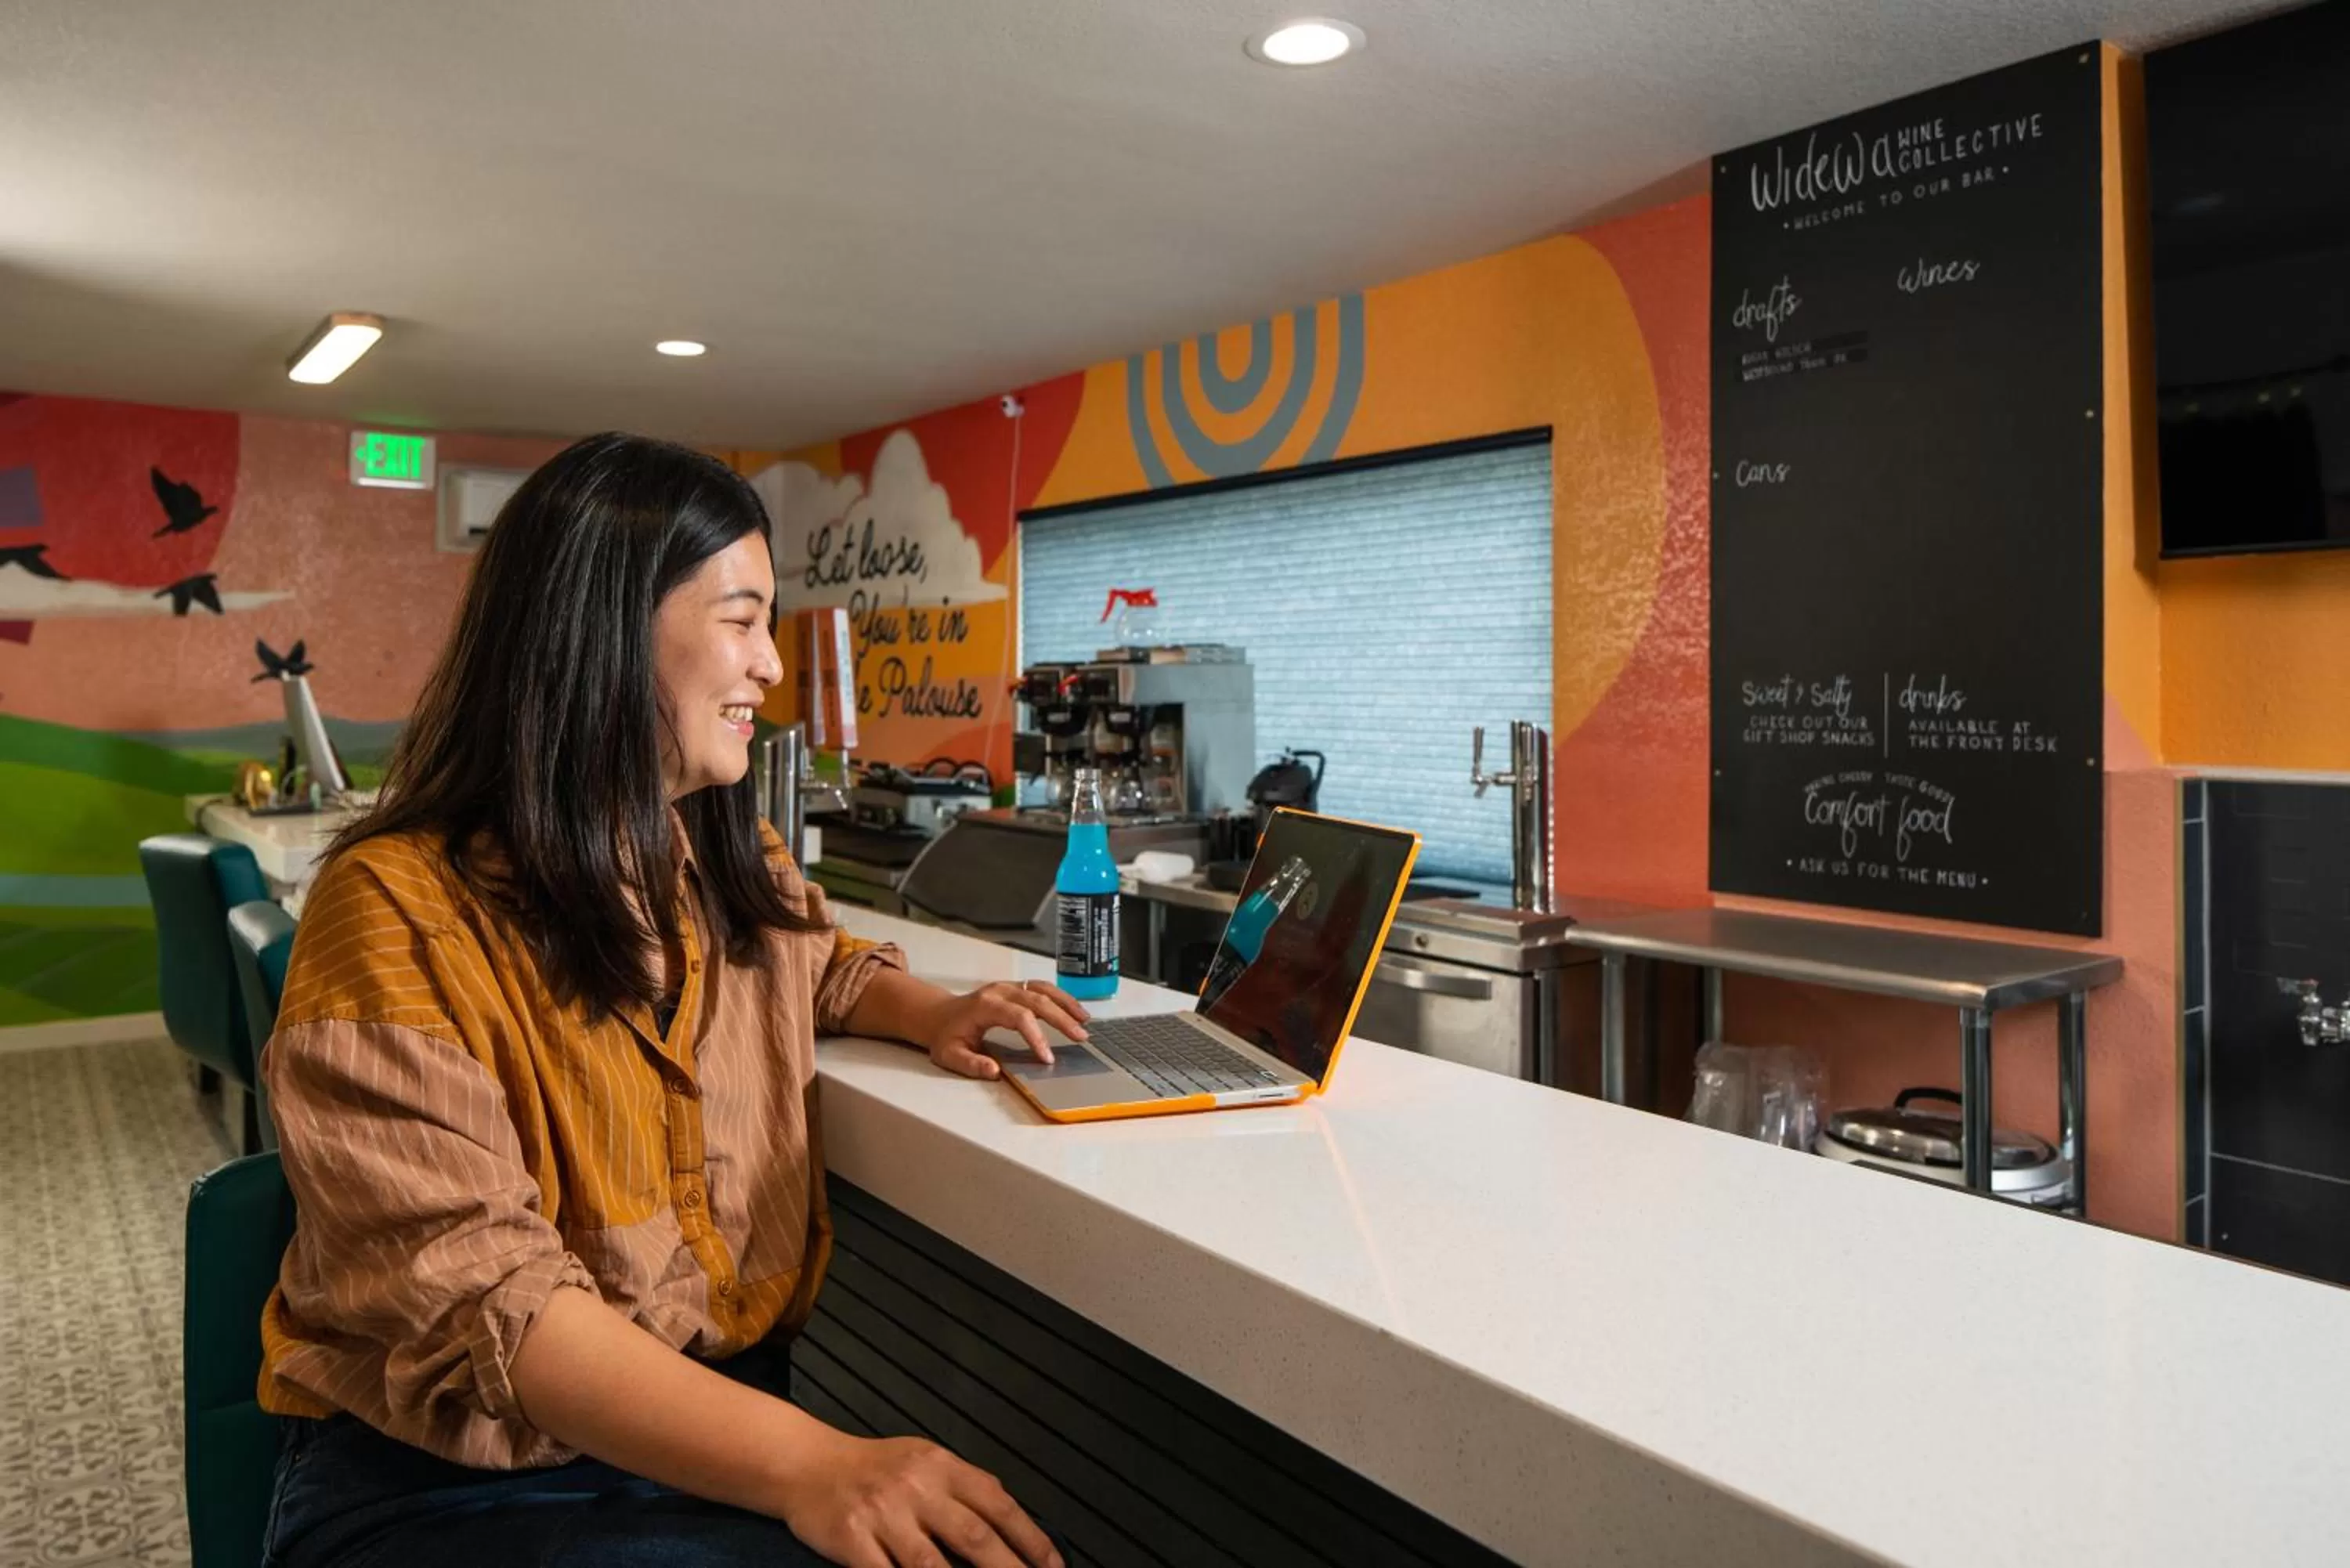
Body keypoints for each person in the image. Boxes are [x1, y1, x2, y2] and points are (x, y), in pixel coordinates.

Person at [255, 433, 1086, 1568]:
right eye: (741, 621)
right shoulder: (394, 909)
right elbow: (497, 1303)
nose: (773, 668)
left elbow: (820, 962)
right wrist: (813, 1464)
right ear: (602, 631)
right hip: (460, 1482)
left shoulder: (718, 848)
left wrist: (930, 1010)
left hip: (701, 1443)